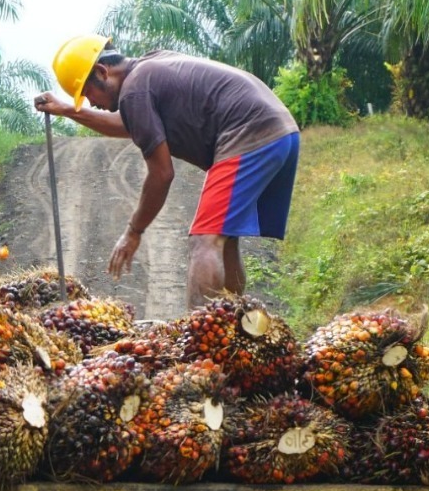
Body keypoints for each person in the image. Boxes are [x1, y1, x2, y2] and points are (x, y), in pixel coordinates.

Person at [34, 35, 299, 308]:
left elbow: (162, 174)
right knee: (224, 239)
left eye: (87, 93)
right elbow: (131, 124)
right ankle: (238, 328)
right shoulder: (148, 68)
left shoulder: (135, 90)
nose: (90, 103)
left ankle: (201, 341)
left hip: (250, 134)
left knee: (204, 241)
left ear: (102, 72)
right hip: (280, 132)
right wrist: (68, 111)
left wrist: (134, 232)